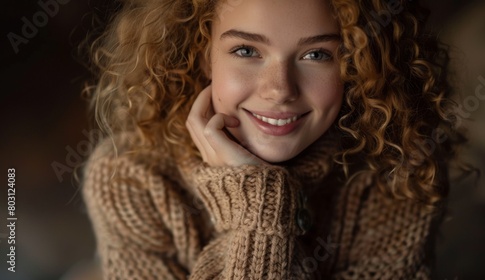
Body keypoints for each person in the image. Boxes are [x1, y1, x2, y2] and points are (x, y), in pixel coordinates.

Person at [82, 0, 463, 278]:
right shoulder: (129, 174)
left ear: (358, 66)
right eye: (246, 51)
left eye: (316, 54)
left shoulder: (398, 171)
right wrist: (257, 206)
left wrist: (255, 201)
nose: (280, 90)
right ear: (203, 57)